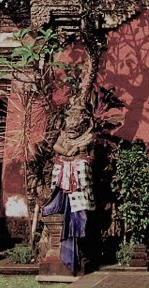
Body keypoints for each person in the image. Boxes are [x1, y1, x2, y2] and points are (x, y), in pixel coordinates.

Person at [42, 105, 94, 273]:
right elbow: (57, 147)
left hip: (79, 185)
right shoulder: (63, 134)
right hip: (63, 183)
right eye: (71, 118)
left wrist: (73, 153)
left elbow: (82, 148)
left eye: (77, 118)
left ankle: (76, 254)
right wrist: (67, 152)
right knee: (59, 210)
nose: (72, 127)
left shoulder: (88, 136)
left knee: (79, 215)